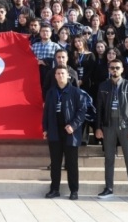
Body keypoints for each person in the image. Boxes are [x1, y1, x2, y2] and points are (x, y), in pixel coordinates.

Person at [94, 58, 128, 201]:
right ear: (109, 69)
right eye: (112, 67)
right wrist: (98, 127)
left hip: (125, 126)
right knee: (109, 158)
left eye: (117, 68)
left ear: (122, 70)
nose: (115, 70)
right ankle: (108, 188)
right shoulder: (103, 86)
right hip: (108, 126)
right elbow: (99, 109)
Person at [42, 66, 86, 200]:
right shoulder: (51, 92)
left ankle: (74, 190)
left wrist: (73, 125)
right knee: (55, 162)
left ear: (68, 76)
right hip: (55, 131)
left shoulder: (76, 92)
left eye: (63, 73)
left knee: (72, 163)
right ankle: (54, 189)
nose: (60, 75)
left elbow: (82, 111)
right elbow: (46, 112)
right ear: (55, 76)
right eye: (58, 73)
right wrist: (45, 128)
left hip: (70, 132)